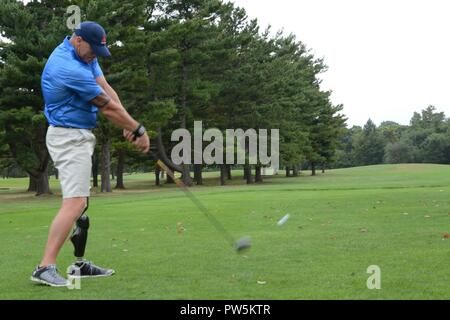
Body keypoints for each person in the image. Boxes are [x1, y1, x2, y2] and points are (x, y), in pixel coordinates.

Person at [31, 21, 150, 287]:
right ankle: (44, 267)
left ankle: (78, 265)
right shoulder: (68, 67)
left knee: (81, 204)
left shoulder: (85, 56)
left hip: (79, 135)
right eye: (92, 50)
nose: (95, 55)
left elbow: (106, 88)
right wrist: (137, 129)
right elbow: (106, 107)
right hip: (68, 136)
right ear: (78, 40)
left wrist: (127, 124)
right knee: (74, 203)